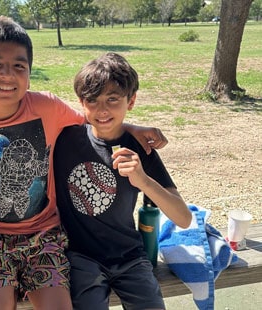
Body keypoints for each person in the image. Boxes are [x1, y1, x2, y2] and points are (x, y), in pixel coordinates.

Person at [0, 17, 167, 310]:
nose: (8, 74)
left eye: (19, 66)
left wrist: (132, 128)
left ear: (29, 75)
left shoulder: (47, 106)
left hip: (45, 238)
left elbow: (96, 120)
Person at [53, 52, 192, 310]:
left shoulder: (140, 149)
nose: (102, 109)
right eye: (92, 100)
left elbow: (183, 218)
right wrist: (130, 125)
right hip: (80, 257)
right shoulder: (65, 139)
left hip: (130, 256)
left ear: (132, 100)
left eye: (113, 99)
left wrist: (143, 181)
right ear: (82, 103)